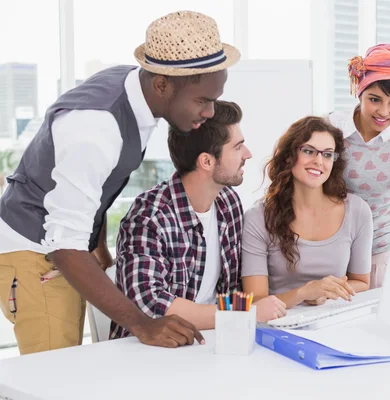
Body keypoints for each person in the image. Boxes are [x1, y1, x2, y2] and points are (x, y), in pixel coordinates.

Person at [0, 11, 239, 354]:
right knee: (54, 378)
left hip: (61, 243)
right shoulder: (95, 128)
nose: (211, 113)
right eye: (203, 100)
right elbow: (62, 242)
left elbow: (93, 186)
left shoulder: (135, 89)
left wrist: (98, 248)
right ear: (162, 85)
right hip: (37, 249)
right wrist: (142, 322)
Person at [111, 101, 286, 340]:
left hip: (213, 342)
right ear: (206, 161)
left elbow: (235, 287)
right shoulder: (148, 217)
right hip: (150, 352)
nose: (248, 154)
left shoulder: (228, 203)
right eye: (238, 147)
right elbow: (150, 305)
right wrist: (243, 314)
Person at [327, 43, 390, 289]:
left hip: (379, 253)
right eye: (375, 99)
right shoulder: (330, 127)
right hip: (327, 250)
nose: (384, 111)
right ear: (359, 93)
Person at [241, 117, 373, 308]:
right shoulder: (258, 217)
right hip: (278, 324)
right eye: (309, 151)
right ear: (288, 156)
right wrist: (304, 293)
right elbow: (255, 302)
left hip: (332, 321)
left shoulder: (358, 211)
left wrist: (324, 293)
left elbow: (361, 282)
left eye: (327, 155)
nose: (319, 161)